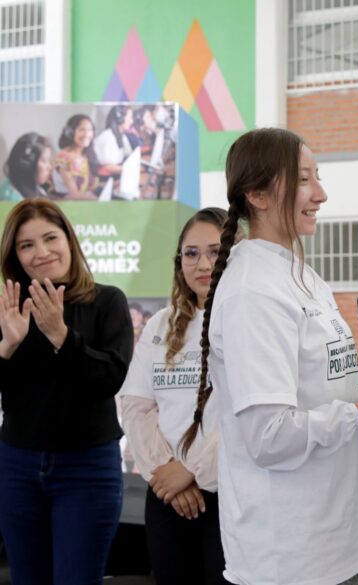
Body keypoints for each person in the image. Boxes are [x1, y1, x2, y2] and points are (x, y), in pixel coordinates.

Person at [178, 128, 358, 585]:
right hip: (289, 555)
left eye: (317, 177)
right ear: (258, 195)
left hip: (333, 541)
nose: (321, 193)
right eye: (304, 179)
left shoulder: (302, 277)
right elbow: (269, 437)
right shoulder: (253, 292)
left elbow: (335, 399)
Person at [0, 199, 133, 585]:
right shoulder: (9, 308)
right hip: (16, 468)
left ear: (69, 240)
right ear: (15, 255)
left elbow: (110, 378)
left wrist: (61, 335)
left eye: (49, 238)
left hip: (87, 470)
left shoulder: (107, 301)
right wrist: (6, 347)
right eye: (26, 245)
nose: (41, 253)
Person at [120, 208, 229, 585]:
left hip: (228, 492)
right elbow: (135, 405)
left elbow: (247, 415)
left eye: (215, 251)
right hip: (166, 492)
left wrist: (193, 471)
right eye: (191, 253)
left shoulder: (251, 319)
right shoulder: (160, 323)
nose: (203, 263)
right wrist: (166, 471)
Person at [52, 114, 99, 200]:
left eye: (90, 130)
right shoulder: (63, 157)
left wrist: (115, 184)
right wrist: (97, 199)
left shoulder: (86, 155)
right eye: (82, 130)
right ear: (71, 132)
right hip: (66, 206)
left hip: (84, 203)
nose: (86, 134)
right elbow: (74, 194)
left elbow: (90, 186)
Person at [0, 132, 53, 201]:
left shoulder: (30, 184)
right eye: (44, 161)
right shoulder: (11, 198)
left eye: (49, 160)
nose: (50, 167)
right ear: (27, 164)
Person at [94, 105, 134, 178]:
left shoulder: (122, 136)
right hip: (104, 179)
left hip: (114, 176)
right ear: (120, 119)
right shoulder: (108, 137)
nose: (132, 121)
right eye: (130, 117)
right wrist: (131, 170)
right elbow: (108, 167)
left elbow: (129, 154)